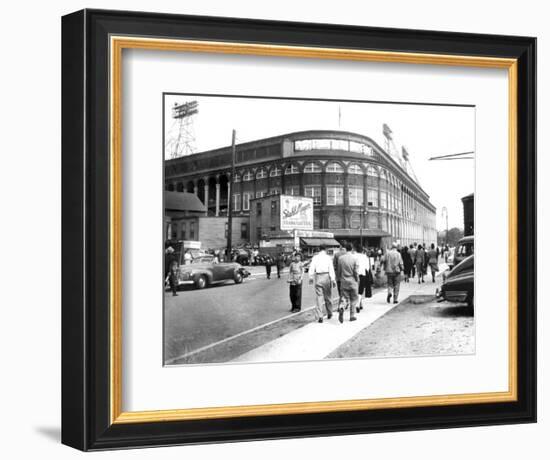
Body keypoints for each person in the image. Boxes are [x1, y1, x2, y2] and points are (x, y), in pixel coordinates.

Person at [308, 244, 336, 323]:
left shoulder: (315, 257)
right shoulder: (328, 258)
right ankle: (329, 312)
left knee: (319, 297)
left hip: (318, 277)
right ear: (326, 249)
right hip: (327, 276)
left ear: (319, 249)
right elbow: (331, 269)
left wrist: (311, 277)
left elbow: (312, 267)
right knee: (328, 296)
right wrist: (333, 279)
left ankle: (320, 316)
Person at [336, 242, 360, 323]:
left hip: (344, 281)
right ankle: (352, 315)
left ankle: (342, 307)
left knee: (344, 297)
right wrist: (357, 279)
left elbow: (339, 271)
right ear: (352, 248)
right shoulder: (355, 258)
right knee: (354, 299)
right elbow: (356, 271)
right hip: (352, 280)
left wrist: (338, 278)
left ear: (345, 249)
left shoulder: (341, 258)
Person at [356, 246, 371, 311]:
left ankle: (360, 304)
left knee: (356, 290)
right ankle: (358, 304)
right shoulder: (365, 257)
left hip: (354, 274)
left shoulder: (354, 256)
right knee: (361, 290)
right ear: (362, 251)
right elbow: (367, 268)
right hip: (362, 274)